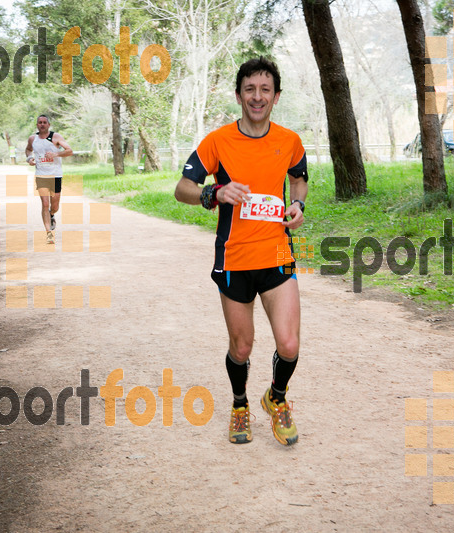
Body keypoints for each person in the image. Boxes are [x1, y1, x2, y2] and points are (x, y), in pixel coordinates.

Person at [174, 57, 308, 446]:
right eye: (250, 89)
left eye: (265, 89)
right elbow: (181, 187)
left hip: (277, 256)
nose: (257, 96)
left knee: (290, 344)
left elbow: (298, 179)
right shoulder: (217, 142)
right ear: (238, 95)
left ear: (276, 97)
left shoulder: (289, 141)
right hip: (234, 260)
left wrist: (298, 207)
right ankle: (239, 405)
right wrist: (213, 193)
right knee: (242, 346)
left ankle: (277, 399)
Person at [25, 115, 73, 244]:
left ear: (48, 124)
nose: (42, 124)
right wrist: (29, 159)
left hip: (55, 175)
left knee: (55, 206)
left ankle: (52, 215)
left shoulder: (55, 137)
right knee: (45, 204)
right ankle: (49, 234)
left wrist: (56, 154)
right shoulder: (32, 139)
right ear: (37, 125)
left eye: (44, 122)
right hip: (41, 175)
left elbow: (69, 151)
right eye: (40, 122)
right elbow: (28, 150)